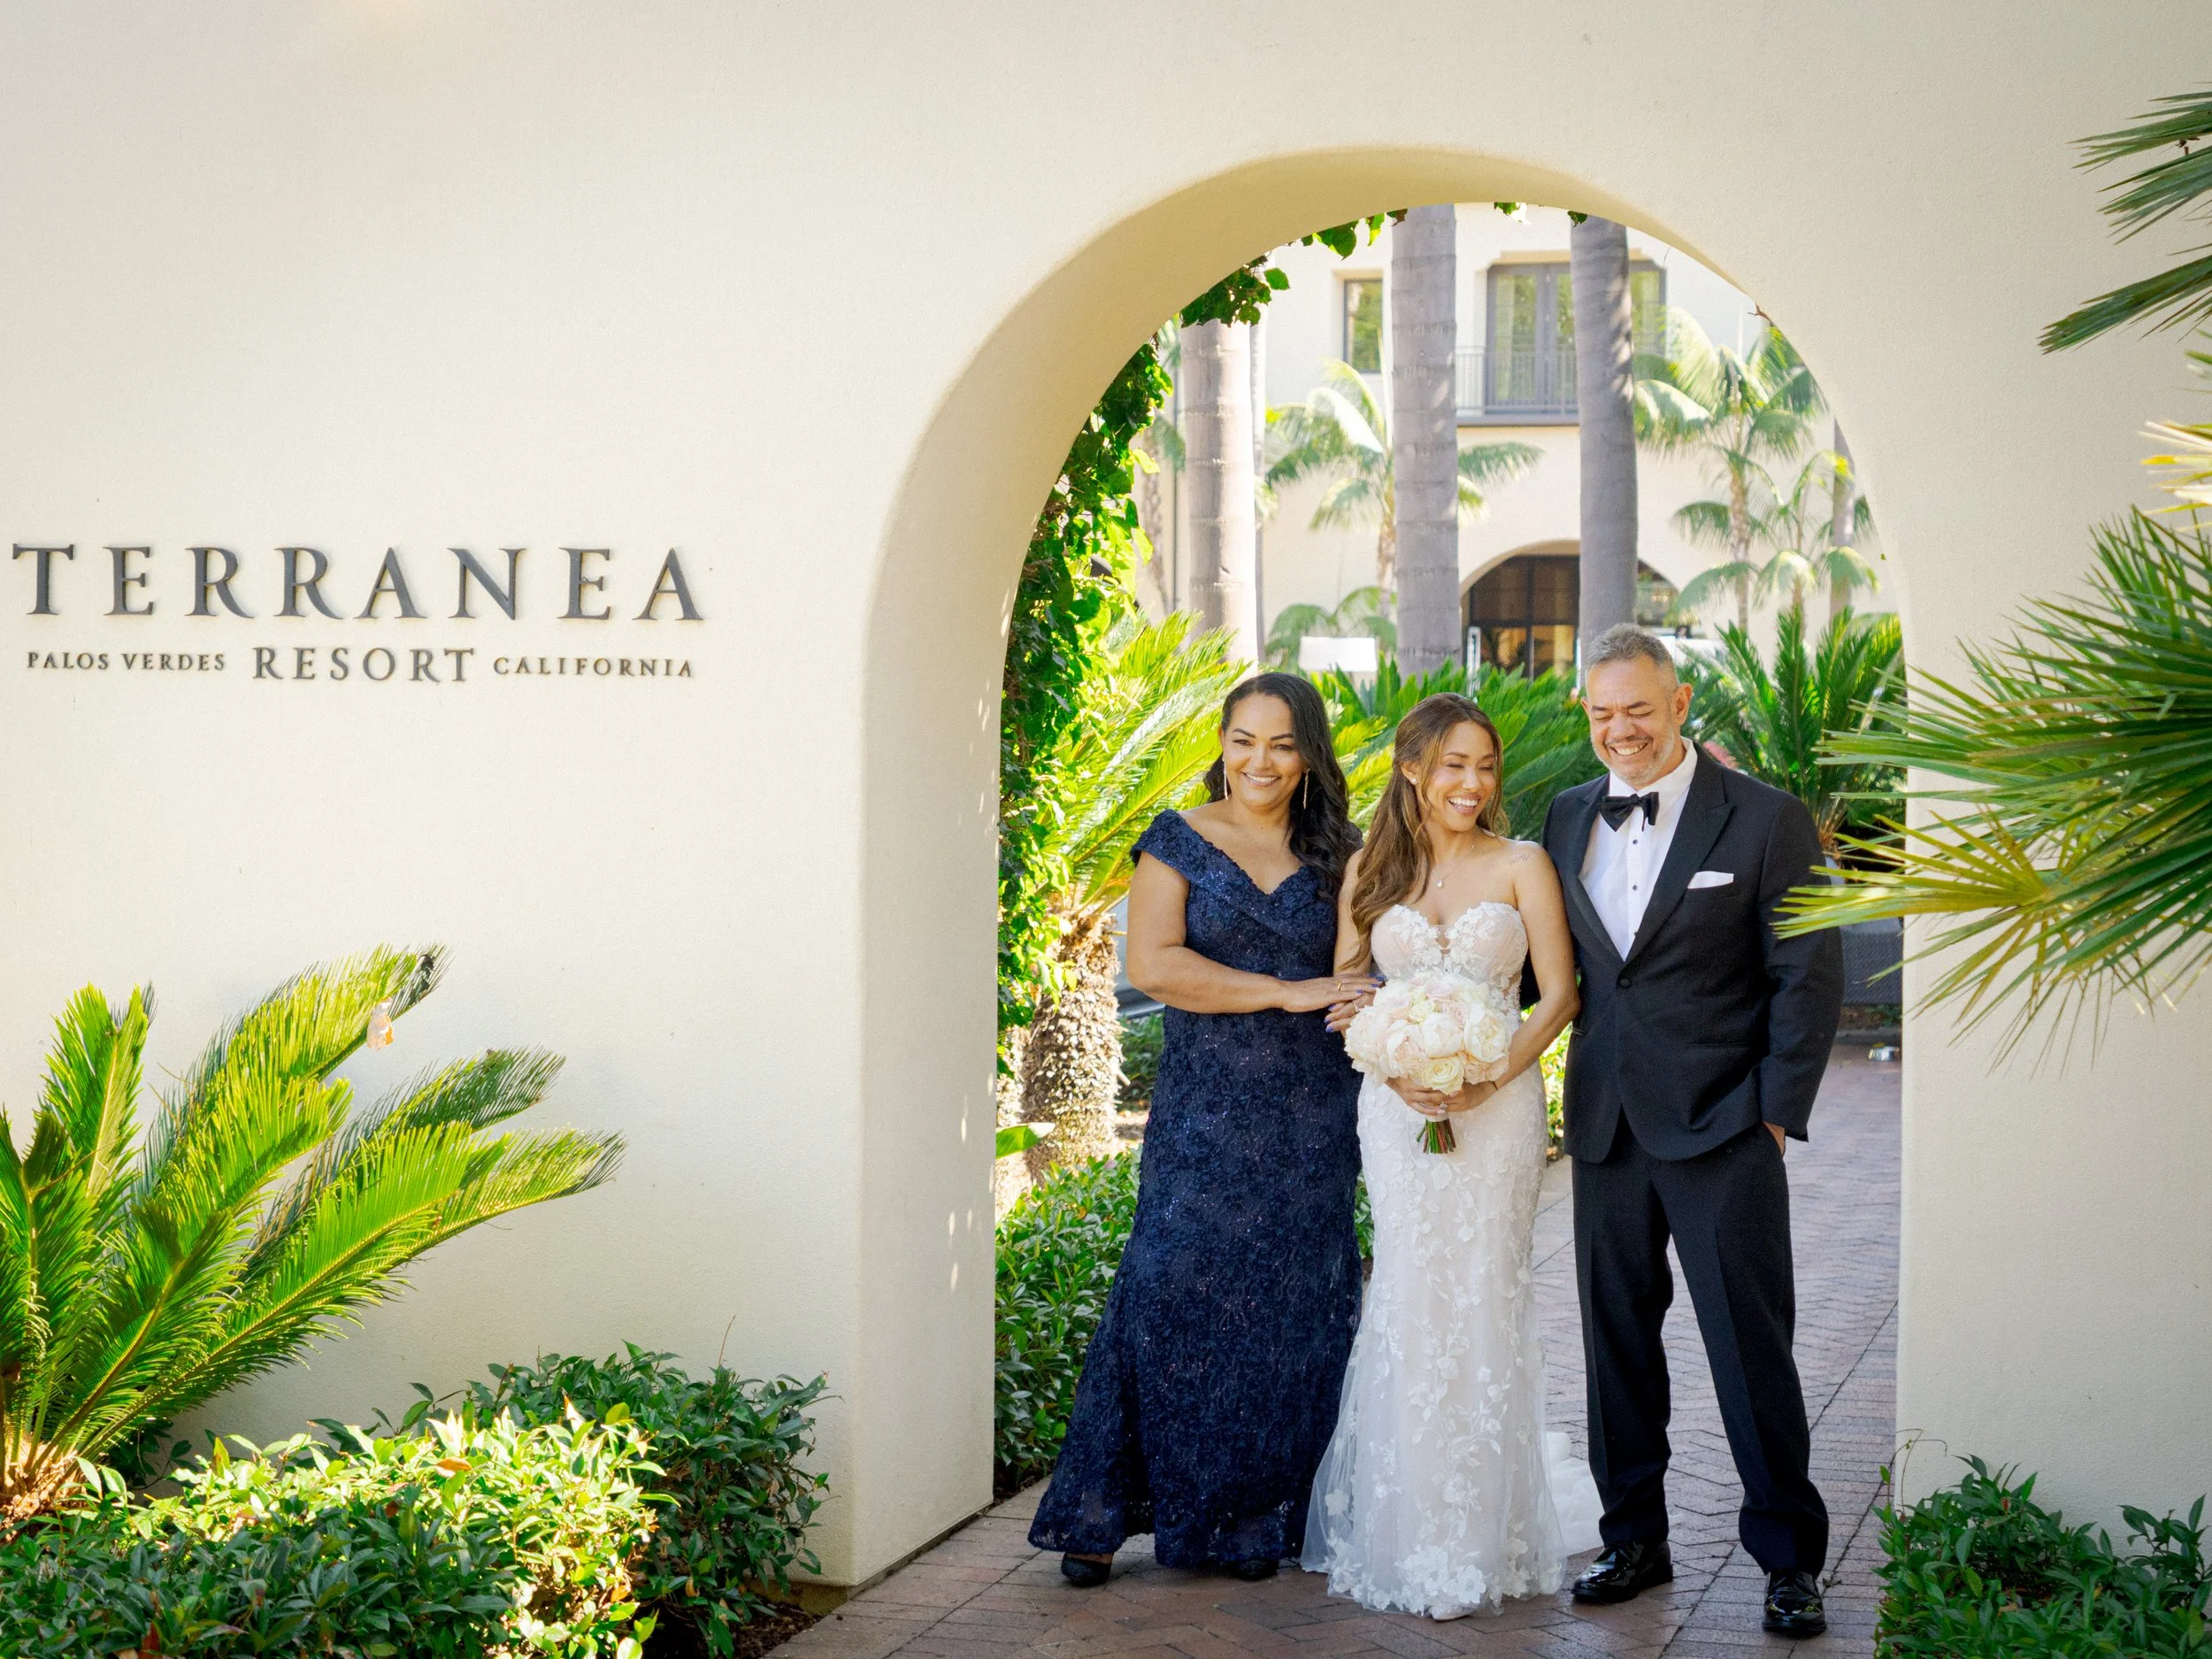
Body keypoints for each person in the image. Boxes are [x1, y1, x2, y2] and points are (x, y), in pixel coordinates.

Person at [1027, 672, 1372, 1585]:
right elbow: (1155, 965)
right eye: (1244, 740)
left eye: (1283, 744)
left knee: (1288, 1310)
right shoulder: (1177, 838)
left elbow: (1354, 972)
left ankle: (1250, 1516)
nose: (1261, 760)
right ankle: (1100, 1508)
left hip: (1311, 1117)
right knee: (1165, 1287)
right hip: (1203, 1113)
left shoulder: (1345, 853)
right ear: (1222, 743)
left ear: (1309, 755)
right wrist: (1282, 991)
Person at [1537, 625, 1842, 1640]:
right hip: (1605, 1126)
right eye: (1600, 713)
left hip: (1724, 1124)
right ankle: (1633, 1537)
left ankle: (1789, 1560)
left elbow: (1806, 970)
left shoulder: (1764, 818)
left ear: (1678, 704)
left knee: (1749, 1346)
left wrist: (1774, 1111)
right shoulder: (1565, 815)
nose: (1618, 729)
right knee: (1614, 1343)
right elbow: (1559, 968)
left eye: (1637, 708)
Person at [1300, 693, 1604, 1620]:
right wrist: (1394, 1068)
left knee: (1481, 1291)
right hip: (1395, 1111)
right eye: (1453, 765)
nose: (1472, 783)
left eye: (1485, 766)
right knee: (1409, 1290)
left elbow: (1559, 996)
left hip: (1498, 1108)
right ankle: (1410, 1523)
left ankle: (1481, 1530)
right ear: (1412, 770)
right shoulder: (1369, 868)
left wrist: (1486, 1076)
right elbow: (1350, 986)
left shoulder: (1522, 863)